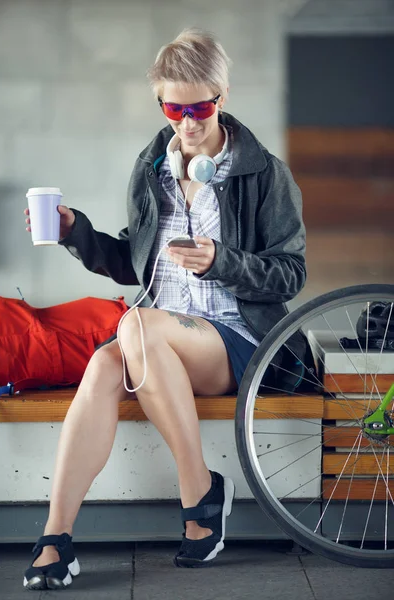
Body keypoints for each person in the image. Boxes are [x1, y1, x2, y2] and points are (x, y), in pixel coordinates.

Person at [22, 28, 306, 590]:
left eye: (200, 107)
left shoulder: (264, 173)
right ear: (162, 104)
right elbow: (136, 263)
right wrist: (74, 231)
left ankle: (196, 488)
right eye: (175, 107)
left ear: (222, 96)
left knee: (136, 327)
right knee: (106, 363)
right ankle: (56, 535)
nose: (188, 122)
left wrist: (221, 261)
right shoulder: (153, 165)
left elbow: (291, 273)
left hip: (239, 339)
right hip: (156, 340)